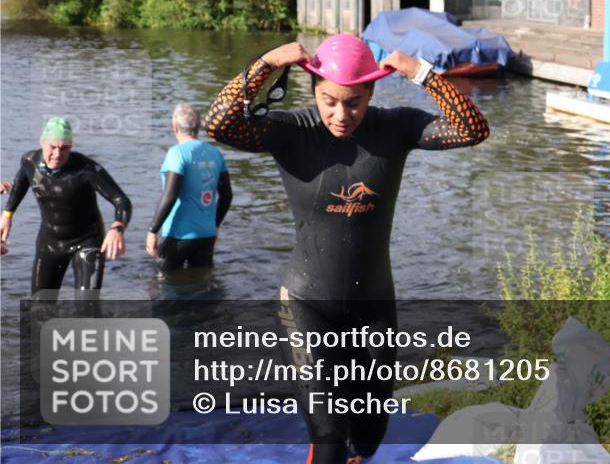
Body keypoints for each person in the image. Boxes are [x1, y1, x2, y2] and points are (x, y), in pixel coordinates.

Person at [204, 35, 489, 464]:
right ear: (314, 90)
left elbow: (472, 128)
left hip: (372, 306)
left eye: (354, 102)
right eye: (329, 101)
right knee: (329, 429)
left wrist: (421, 73)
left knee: (369, 436)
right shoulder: (291, 131)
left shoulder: (395, 126)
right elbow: (219, 123)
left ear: (371, 92)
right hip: (305, 303)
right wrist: (266, 63)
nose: (341, 115)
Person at [0, 117, 131, 293]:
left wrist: (117, 228)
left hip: (87, 241)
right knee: (40, 307)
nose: (57, 154)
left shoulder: (86, 169)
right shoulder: (30, 161)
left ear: (71, 146)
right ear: (42, 142)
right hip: (50, 243)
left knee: (87, 307)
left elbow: (121, 200)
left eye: (64, 148)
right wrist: (7, 215)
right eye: (52, 147)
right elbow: (21, 180)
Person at [145, 104, 233, 272]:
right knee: (201, 285)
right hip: (206, 235)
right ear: (198, 127)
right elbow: (227, 196)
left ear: (175, 127)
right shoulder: (215, 153)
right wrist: (215, 224)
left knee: (162, 283)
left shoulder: (177, 154)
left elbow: (169, 196)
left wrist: (152, 230)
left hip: (179, 235)